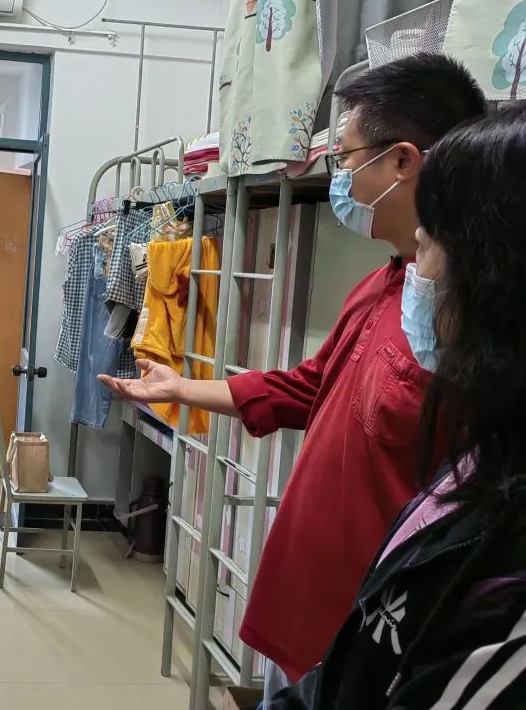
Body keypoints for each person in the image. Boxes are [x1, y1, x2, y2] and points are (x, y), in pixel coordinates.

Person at [100, 54, 487, 699]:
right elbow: (308, 388)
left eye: (346, 156)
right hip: (312, 601)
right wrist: (179, 388)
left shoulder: (465, 323)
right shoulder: (382, 285)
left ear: (402, 161)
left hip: (378, 628)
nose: (338, 175)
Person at [267, 102, 526, 708]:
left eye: (430, 241)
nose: (420, 267)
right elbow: (311, 384)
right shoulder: (486, 462)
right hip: (339, 631)